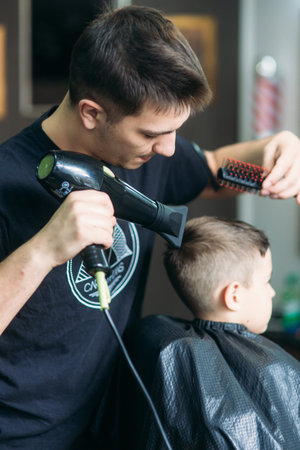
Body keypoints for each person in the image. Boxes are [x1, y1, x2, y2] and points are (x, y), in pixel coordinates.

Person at [0, 4, 300, 448]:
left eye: (175, 130)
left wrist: (272, 155)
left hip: (107, 421)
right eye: (151, 134)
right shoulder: (7, 181)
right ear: (91, 112)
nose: (167, 150)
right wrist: (43, 250)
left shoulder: (144, 151)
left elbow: (215, 168)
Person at [118, 217, 300, 449]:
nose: (272, 292)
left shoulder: (158, 338)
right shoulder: (275, 369)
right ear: (234, 295)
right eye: (267, 281)